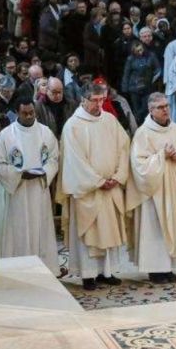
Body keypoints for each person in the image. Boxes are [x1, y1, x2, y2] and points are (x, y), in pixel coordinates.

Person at [60, 82, 131, 291]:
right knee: (90, 234)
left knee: (108, 231)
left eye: (102, 100)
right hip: (89, 190)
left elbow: (124, 147)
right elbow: (75, 160)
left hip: (110, 187)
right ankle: (88, 274)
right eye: (95, 100)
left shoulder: (109, 120)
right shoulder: (73, 126)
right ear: (83, 100)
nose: (99, 104)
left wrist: (118, 176)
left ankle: (106, 272)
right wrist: (98, 181)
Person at [126, 94, 176, 283]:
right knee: (154, 229)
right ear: (151, 111)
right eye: (160, 107)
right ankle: (155, 270)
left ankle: (169, 268)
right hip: (153, 191)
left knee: (173, 226)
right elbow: (139, 165)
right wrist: (162, 155)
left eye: (167, 106)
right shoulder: (142, 133)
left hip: (173, 188)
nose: (165, 110)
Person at [0, 99, 61, 274]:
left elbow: (54, 158)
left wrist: (44, 172)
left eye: (32, 113)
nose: (29, 116)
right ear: (17, 112)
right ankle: (18, 270)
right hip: (17, 193)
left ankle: (44, 269)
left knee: (40, 228)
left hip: (39, 190)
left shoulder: (45, 133)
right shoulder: (6, 135)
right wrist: (19, 174)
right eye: (25, 113)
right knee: (18, 231)